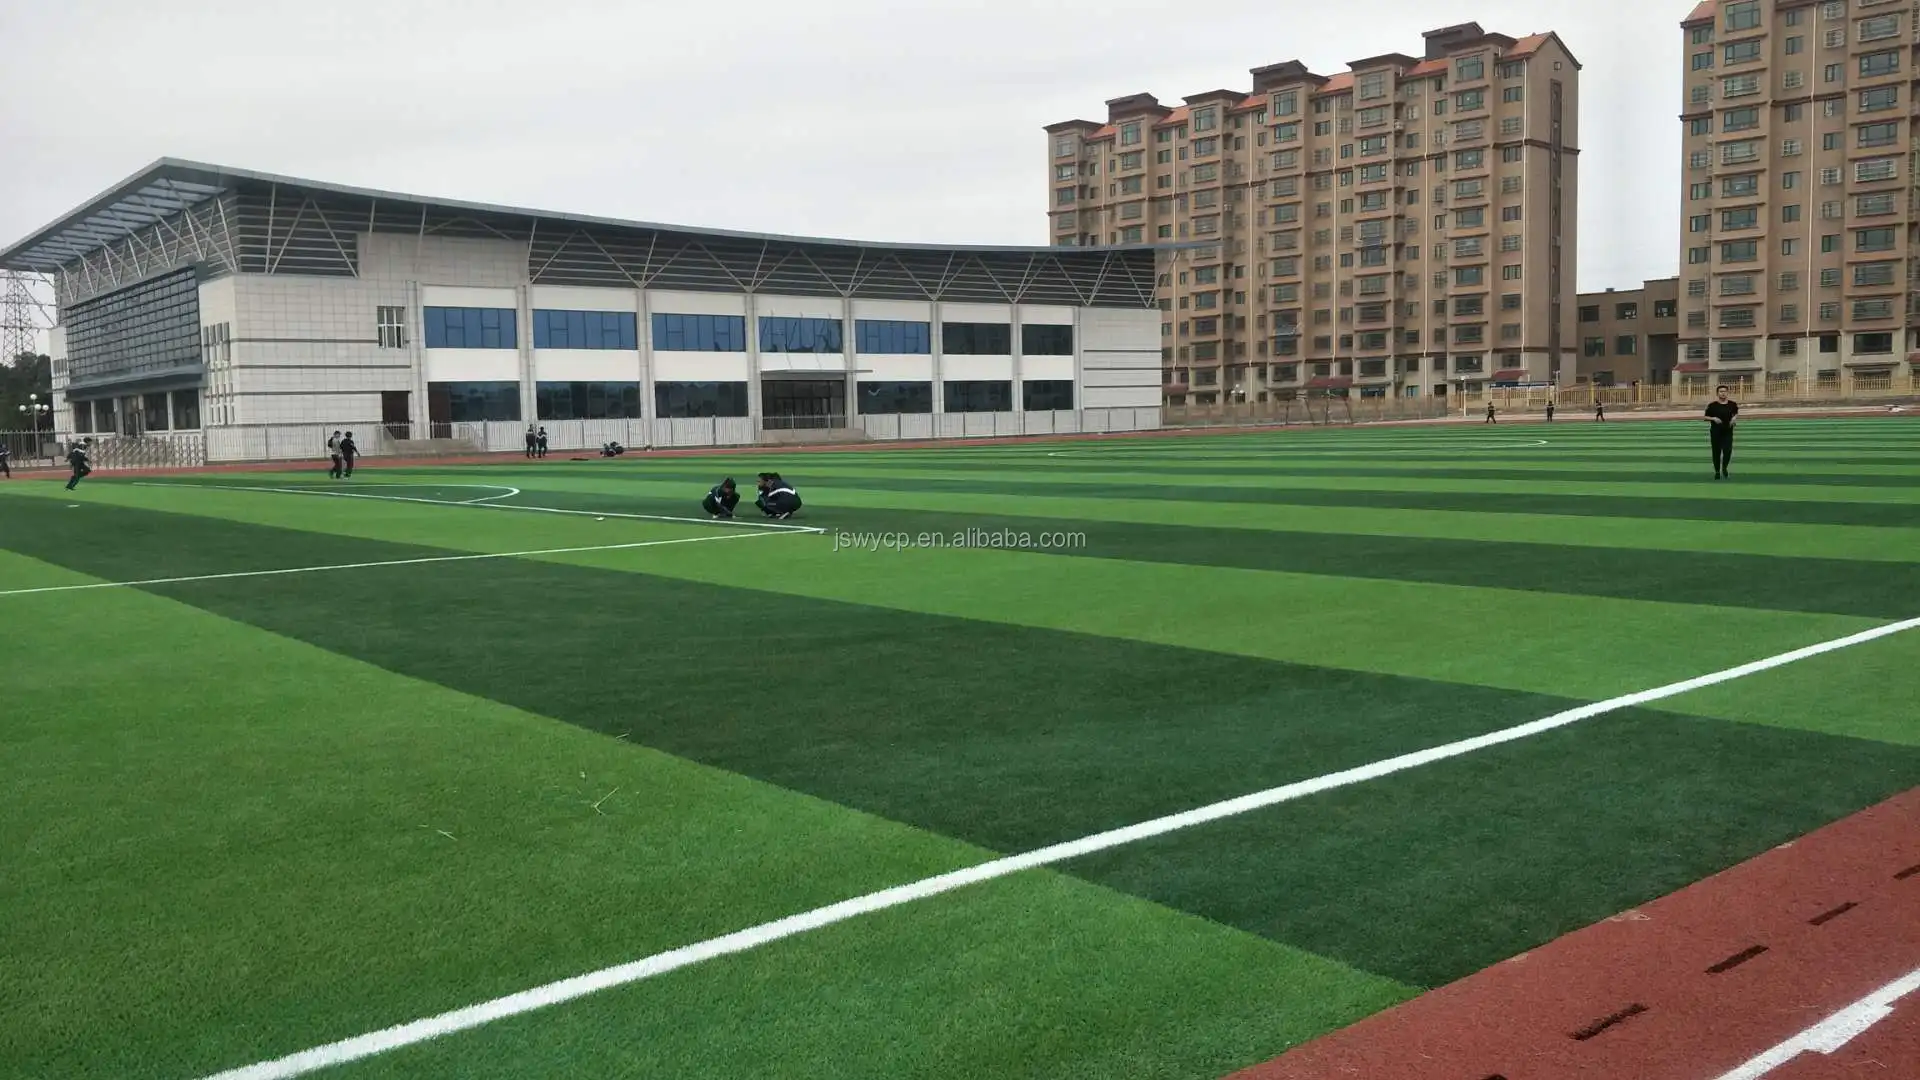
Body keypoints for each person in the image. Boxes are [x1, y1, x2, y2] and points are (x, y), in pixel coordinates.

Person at [1704, 384, 1739, 479]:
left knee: (1727, 451)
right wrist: (1713, 418)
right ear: (1717, 393)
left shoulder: (1732, 404)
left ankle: (1724, 468)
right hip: (1716, 432)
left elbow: (1735, 414)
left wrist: (1734, 419)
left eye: (1724, 391)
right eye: (1721, 391)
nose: (1723, 393)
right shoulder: (1712, 406)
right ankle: (1717, 471)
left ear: (1727, 393)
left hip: (1727, 431)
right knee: (1716, 452)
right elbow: (1705, 417)